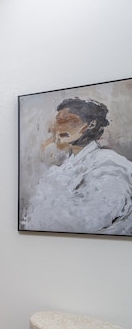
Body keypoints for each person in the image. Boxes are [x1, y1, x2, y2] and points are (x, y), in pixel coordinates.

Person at [21, 97, 132, 235]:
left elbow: (89, 221)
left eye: (69, 120)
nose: (59, 127)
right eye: (58, 121)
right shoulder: (63, 167)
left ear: (91, 124)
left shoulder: (110, 165)